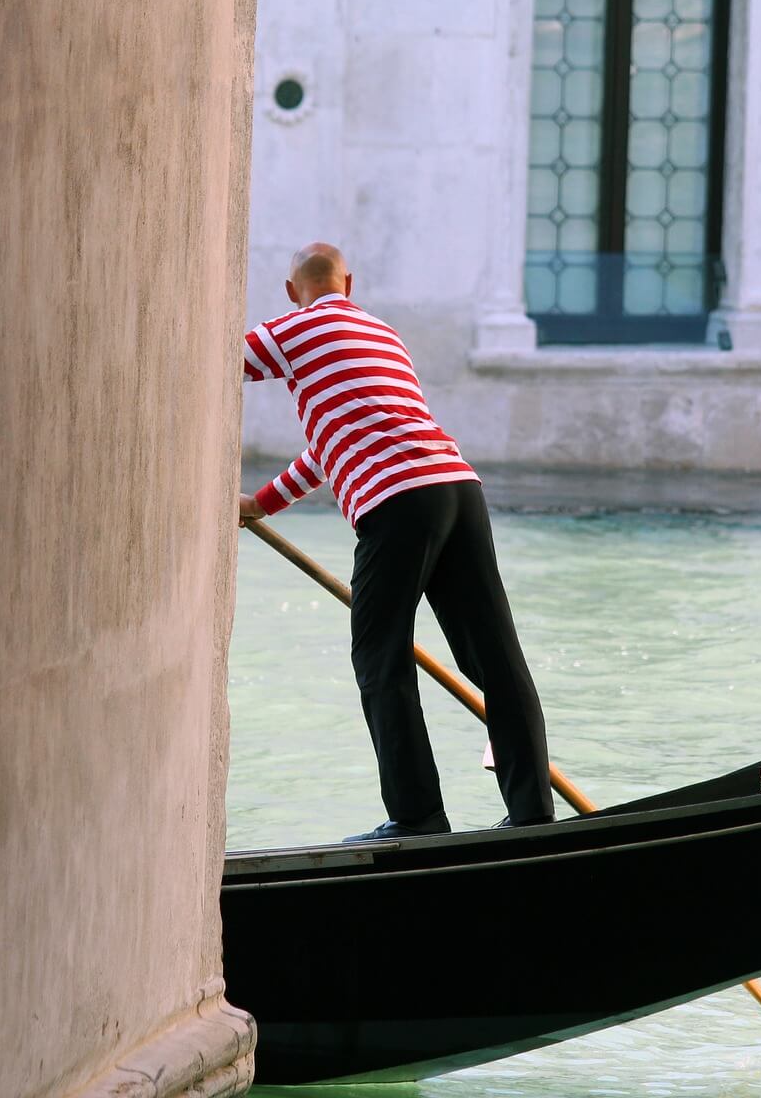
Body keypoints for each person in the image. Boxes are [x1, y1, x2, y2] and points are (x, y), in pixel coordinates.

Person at [238, 242, 555, 842]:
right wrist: (261, 503)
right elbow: (329, 451)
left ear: (290, 291)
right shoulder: (383, 335)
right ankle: (534, 813)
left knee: (379, 656)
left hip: (398, 501)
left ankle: (418, 818)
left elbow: (220, 359)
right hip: (458, 487)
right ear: (348, 284)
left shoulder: (296, 326)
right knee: (495, 658)